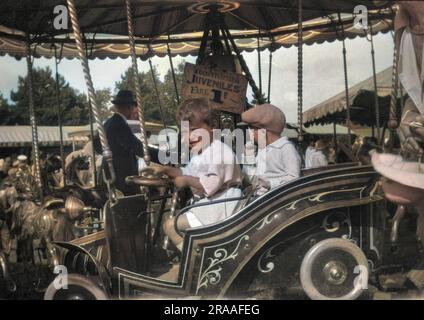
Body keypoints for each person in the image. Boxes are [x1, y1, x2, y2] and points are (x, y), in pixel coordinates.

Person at [149, 98, 242, 251]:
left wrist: (186, 180)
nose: (189, 137)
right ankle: (194, 255)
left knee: (170, 226)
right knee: (172, 221)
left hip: (223, 205)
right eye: (185, 131)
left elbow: (209, 185)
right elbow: (187, 171)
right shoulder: (201, 152)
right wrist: (164, 170)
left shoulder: (219, 151)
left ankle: (194, 261)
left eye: (193, 130)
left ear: (212, 127)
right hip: (211, 203)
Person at [241, 104, 301, 195]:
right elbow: (254, 179)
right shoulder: (262, 149)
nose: (251, 134)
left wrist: (270, 184)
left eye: (253, 130)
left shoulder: (286, 148)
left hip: (278, 198)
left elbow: (294, 178)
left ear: (265, 131)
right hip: (259, 197)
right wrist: (247, 160)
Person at [104, 90, 150, 196]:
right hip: (122, 177)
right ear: (128, 107)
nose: (134, 110)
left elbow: (97, 145)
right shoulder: (119, 124)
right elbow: (136, 147)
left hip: (111, 174)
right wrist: (160, 156)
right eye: (133, 107)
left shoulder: (108, 122)